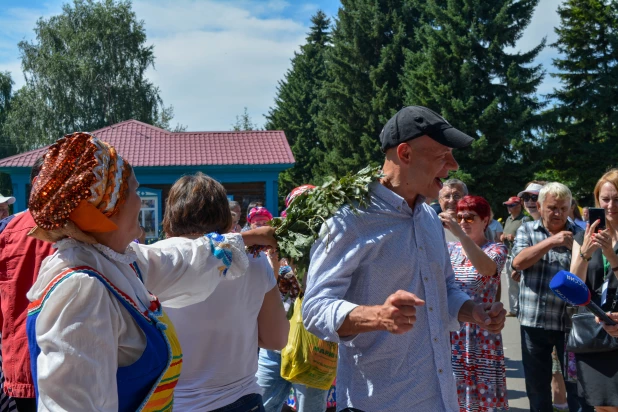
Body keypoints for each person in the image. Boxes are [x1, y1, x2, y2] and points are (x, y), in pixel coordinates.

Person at [25, 132, 276, 411]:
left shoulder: (114, 263)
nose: (140, 202)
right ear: (110, 207)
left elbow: (180, 259)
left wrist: (247, 239)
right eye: (133, 191)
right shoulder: (81, 289)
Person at [302, 106, 506, 412]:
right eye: (442, 155)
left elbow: (445, 289)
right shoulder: (349, 219)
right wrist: (378, 317)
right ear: (405, 153)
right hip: (375, 402)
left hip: (439, 398)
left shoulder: (428, 219)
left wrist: (472, 310)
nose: (453, 166)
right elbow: (315, 308)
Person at [161, 173, 289, 411]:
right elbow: (277, 339)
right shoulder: (255, 261)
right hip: (241, 399)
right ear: (225, 217)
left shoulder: (157, 262)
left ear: (171, 215)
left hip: (174, 402)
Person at [256, 185, 329, 412]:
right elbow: (269, 292)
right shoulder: (280, 246)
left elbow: (312, 291)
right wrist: (274, 263)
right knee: (262, 406)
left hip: (311, 349)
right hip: (274, 349)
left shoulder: (329, 248)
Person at [511, 182, 584, 412]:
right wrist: (552, 241)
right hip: (534, 322)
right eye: (552, 208)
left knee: (577, 388)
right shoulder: (527, 230)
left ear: (571, 207)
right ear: (540, 207)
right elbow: (518, 262)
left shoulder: (580, 234)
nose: (558, 213)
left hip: (569, 324)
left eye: (563, 208)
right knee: (537, 388)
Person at [440, 195, 509, 411]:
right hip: (451, 333)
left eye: (470, 218)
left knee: (482, 401)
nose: (462, 222)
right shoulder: (449, 249)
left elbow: (486, 270)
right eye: (459, 217)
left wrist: (460, 234)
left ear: (485, 220)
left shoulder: (496, 249)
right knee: (451, 397)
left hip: (481, 336)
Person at [0, 157, 52, 412]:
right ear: (37, 183)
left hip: (23, 365)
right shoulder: (88, 231)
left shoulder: (8, 232)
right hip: (63, 368)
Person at [570, 169, 618, 411]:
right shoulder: (583, 236)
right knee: (601, 405)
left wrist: (611, 253)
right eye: (605, 199)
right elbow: (574, 286)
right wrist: (586, 252)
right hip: (593, 330)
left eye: (617, 199)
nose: (610, 206)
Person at [500, 196, 528, 317]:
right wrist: (503, 237)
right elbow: (504, 233)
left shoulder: (525, 220)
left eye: (511, 205)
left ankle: (523, 308)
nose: (508, 208)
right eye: (507, 205)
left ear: (519, 206)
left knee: (521, 282)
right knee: (510, 283)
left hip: (519, 255)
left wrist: (514, 238)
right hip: (509, 254)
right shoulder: (508, 219)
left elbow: (528, 237)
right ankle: (514, 309)